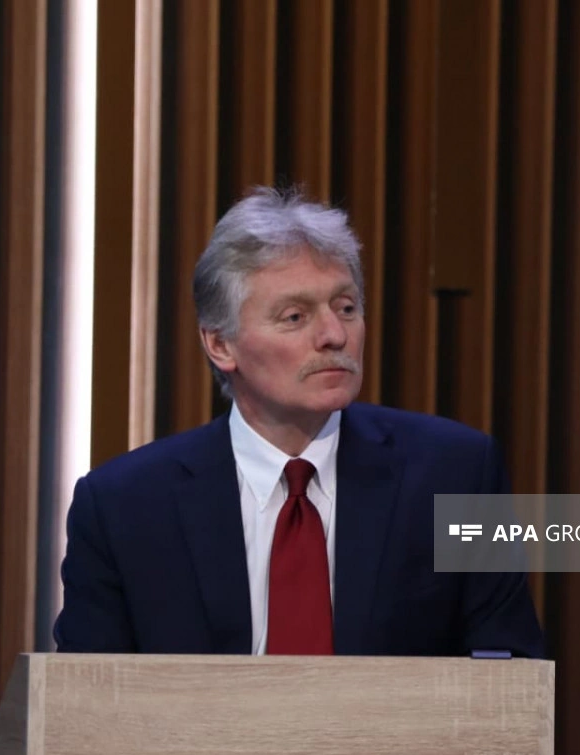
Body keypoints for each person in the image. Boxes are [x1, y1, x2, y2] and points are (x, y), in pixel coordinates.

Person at [53, 186, 543, 659]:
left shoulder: (456, 475)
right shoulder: (123, 506)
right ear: (220, 345)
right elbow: (85, 697)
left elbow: (509, 676)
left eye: (346, 308)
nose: (334, 335)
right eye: (294, 317)